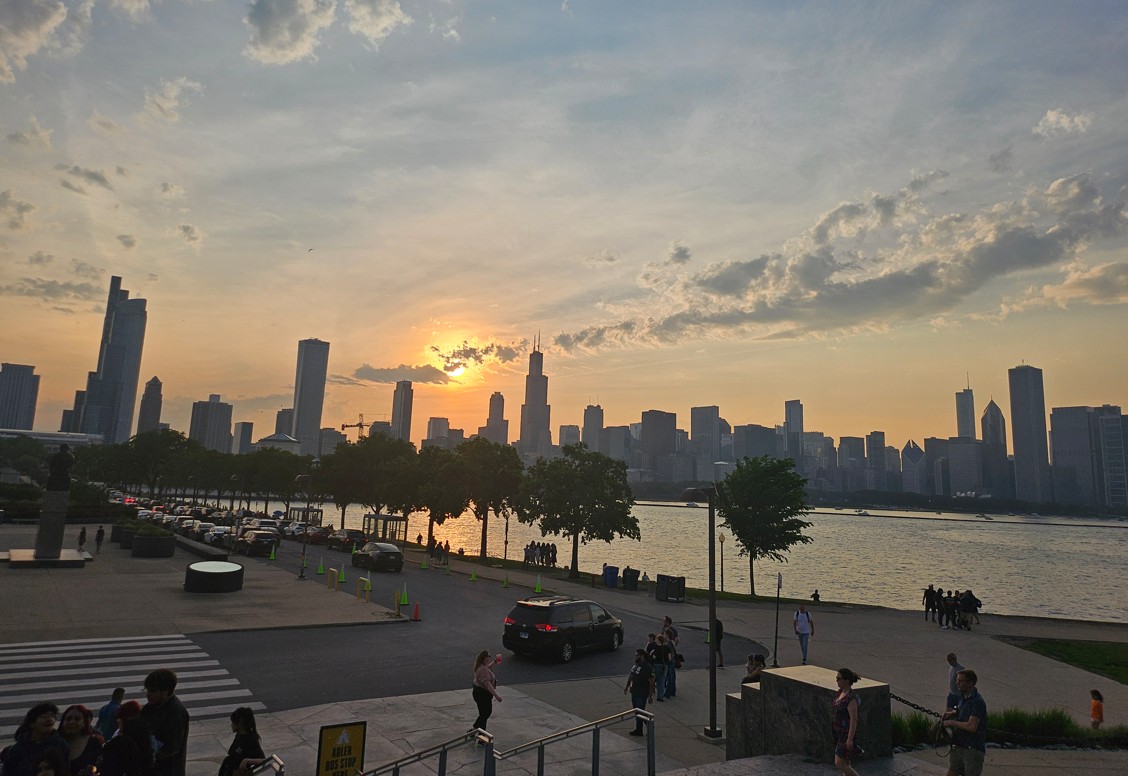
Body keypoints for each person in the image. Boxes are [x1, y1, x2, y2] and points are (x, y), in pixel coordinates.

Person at [140, 669, 190, 776]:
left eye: (153, 691)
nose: (148, 694)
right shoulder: (150, 708)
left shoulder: (176, 714)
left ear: (166, 691)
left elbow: (171, 748)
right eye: (147, 690)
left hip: (168, 770)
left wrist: (148, 757)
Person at [1, 703, 70, 776]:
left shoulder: (60, 745)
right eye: (44, 716)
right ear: (32, 723)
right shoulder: (17, 749)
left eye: (53, 716)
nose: (50, 719)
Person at [941, 669, 987, 776]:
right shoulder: (963, 697)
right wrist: (952, 713)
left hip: (972, 748)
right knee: (952, 771)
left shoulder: (977, 701)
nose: (957, 683)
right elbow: (961, 710)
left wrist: (951, 723)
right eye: (957, 680)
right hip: (959, 744)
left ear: (970, 683)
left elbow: (972, 726)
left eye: (961, 681)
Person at [832, 668, 862, 776]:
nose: (836, 680)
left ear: (847, 681)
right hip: (838, 732)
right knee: (846, 763)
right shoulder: (840, 693)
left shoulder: (851, 698)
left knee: (839, 763)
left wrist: (850, 739)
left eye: (839, 678)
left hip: (846, 734)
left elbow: (853, 719)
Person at [218, 708, 265, 776]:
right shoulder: (239, 734)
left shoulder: (250, 739)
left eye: (233, 722)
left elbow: (262, 759)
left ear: (239, 723)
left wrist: (247, 761)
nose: (231, 725)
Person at [59, 705, 103, 776]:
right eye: (68, 719)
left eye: (77, 719)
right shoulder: (56, 742)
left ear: (84, 723)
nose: (72, 722)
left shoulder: (95, 743)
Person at [623, 649, 655, 736]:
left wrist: (650, 695)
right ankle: (639, 729)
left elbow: (651, 682)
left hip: (642, 692)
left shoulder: (647, 667)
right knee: (637, 711)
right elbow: (631, 676)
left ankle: (649, 726)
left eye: (637, 655)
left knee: (641, 711)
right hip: (634, 691)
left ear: (642, 656)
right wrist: (627, 686)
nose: (636, 657)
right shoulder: (636, 665)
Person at [471, 650, 503, 732]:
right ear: (485, 658)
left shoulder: (482, 667)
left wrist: (495, 662)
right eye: (489, 656)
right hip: (483, 694)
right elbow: (487, 684)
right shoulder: (483, 670)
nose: (490, 657)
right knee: (485, 713)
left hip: (479, 693)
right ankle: (481, 737)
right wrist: (496, 695)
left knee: (483, 714)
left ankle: (474, 729)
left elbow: (487, 668)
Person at [661, 616, 680, 697]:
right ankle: (672, 690)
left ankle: (669, 692)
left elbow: (677, 639)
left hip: (669, 659)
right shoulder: (663, 628)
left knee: (670, 676)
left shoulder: (672, 630)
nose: (663, 622)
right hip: (670, 655)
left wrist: (674, 648)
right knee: (670, 676)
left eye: (664, 621)